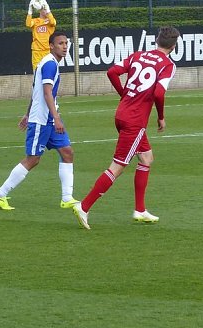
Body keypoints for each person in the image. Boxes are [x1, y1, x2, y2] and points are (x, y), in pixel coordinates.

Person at [73, 26, 181, 230]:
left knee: (146, 158)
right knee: (117, 166)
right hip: (135, 121)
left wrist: (123, 93)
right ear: (174, 46)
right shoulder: (167, 65)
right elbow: (159, 93)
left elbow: (112, 72)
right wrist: (161, 117)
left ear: (156, 40)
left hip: (121, 114)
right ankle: (84, 206)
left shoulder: (138, 55)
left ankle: (140, 210)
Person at [0, 31, 79, 211]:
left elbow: (35, 91)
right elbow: (46, 92)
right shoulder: (49, 64)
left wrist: (27, 113)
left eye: (66, 43)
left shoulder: (49, 63)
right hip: (42, 120)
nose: (64, 47)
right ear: (51, 46)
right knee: (33, 159)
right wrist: (55, 118)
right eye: (60, 43)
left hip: (49, 119)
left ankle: (67, 198)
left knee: (67, 152)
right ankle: (0, 194)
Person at [26, 0, 56, 71]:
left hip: (48, 51)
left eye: (46, 9)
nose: (46, 11)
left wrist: (47, 8)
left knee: (48, 71)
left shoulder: (50, 21)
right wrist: (30, 11)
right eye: (44, 9)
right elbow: (28, 24)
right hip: (37, 51)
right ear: (40, 10)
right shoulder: (35, 21)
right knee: (37, 71)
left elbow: (52, 22)